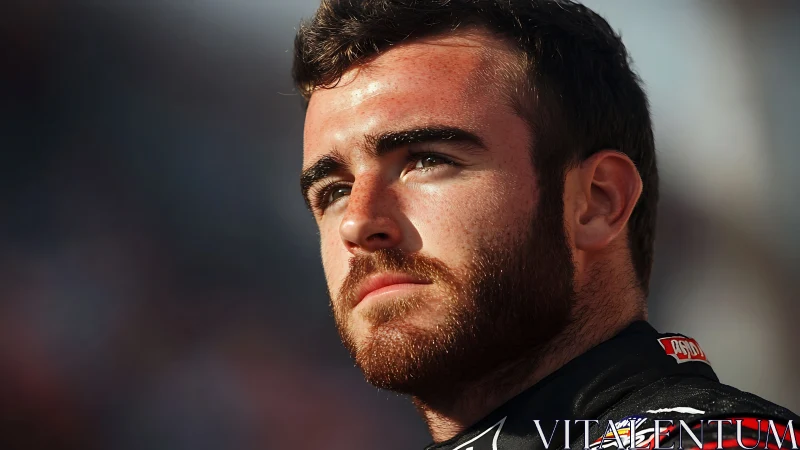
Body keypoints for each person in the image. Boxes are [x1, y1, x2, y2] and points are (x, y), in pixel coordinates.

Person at [293, 1, 798, 449]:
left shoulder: (715, 440)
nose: (358, 222)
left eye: (427, 160)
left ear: (597, 202)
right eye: (333, 191)